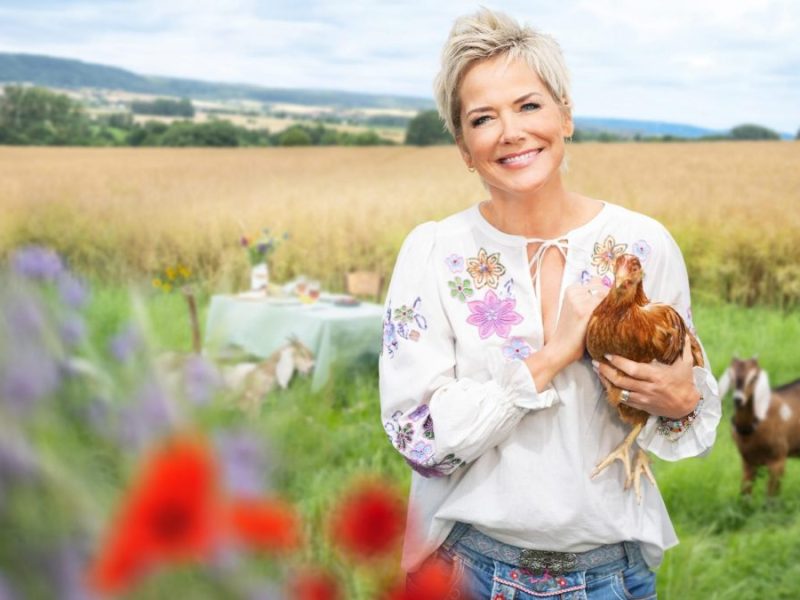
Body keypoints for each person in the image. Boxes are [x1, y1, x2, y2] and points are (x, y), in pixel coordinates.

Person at [379, 8, 721, 599]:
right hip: (465, 573)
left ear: (566, 115)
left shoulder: (643, 246)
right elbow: (419, 439)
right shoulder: (434, 252)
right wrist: (554, 355)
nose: (511, 132)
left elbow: (685, 411)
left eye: (529, 105)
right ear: (464, 147)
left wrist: (683, 398)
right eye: (483, 118)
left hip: (614, 575)